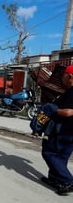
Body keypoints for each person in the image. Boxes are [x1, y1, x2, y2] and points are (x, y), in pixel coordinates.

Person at [41, 64, 73, 196]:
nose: (62, 78)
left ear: (70, 76)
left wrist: (52, 109)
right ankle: (55, 179)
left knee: (49, 153)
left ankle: (67, 180)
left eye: (63, 75)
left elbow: (68, 112)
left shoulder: (72, 91)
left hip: (64, 130)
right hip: (71, 132)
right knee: (62, 156)